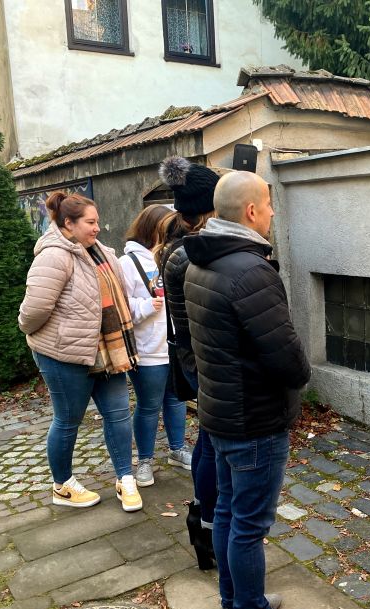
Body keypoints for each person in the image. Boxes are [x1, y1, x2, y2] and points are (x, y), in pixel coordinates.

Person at [183, 171, 312, 609]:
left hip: (219, 412)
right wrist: (302, 377)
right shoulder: (250, 270)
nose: (274, 212)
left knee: (228, 514)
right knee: (249, 526)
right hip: (254, 419)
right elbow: (285, 355)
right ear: (252, 211)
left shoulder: (200, 260)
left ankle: (235, 607)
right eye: (269, 204)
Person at [18, 192, 143, 512]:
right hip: (64, 354)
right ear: (68, 224)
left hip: (107, 350)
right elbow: (34, 309)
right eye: (91, 222)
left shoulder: (101, 252)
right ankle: (62, 485)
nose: (98, 228)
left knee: (118, 413)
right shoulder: (54, 255)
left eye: (98, 221)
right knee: (68, 419)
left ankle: (125, 478)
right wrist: (32, 331)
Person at [158, 157, 222, 570]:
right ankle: (210, 529)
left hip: (191, 359)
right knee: (215, 449)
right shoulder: (192, 256)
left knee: (207, 443)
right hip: (203, 362)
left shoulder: (177, 250)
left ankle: (203, 520)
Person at [118, 205, 191, 491]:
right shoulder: (127, 263)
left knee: (176, 400)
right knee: (149, 406)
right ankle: (145, 460)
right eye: (168, 227)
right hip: (148, 349)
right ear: (153, 228)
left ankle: (177, 449)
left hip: (173, 345)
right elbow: (122, 307)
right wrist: (148, 306)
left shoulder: (171, 256)